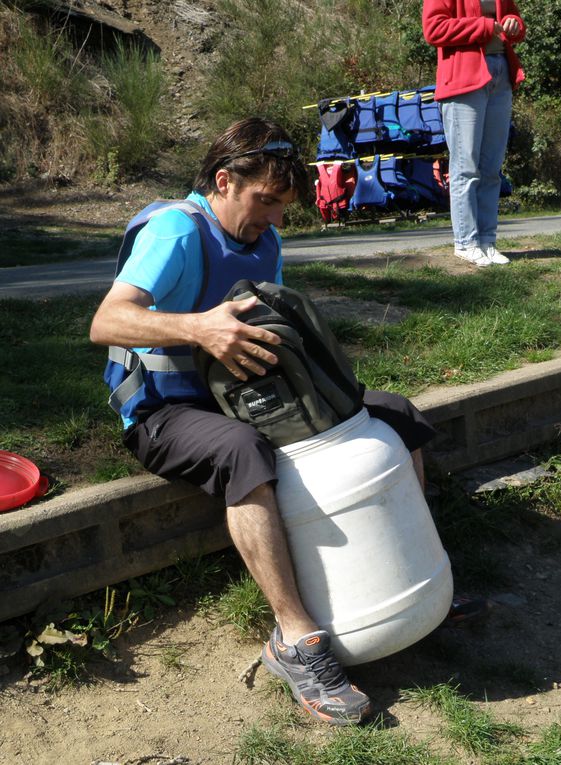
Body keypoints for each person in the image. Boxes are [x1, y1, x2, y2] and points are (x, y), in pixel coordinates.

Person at [90, 117, 437, 726]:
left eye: (283, 207)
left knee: (393, 414)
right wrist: (199, 327)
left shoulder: (263, 242)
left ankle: (407, 566)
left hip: (243, 399)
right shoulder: (175, 229)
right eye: (266, 202)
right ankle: (295, 640)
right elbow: (108, 321)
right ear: (224, 180)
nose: (275, 219)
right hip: (165, 414)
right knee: (243, 451)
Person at [423, 0, 526, 267]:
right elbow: (433, 29)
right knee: (465, 168)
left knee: (492, 168)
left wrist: (516, 25)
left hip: (501, 74)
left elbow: (513, 19)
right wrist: (483, 26)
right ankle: (466, 243)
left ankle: (487, 242)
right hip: (463, 80)